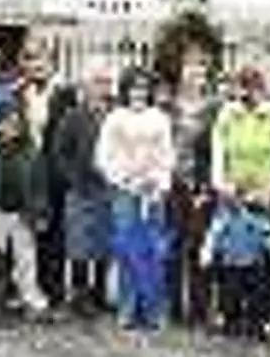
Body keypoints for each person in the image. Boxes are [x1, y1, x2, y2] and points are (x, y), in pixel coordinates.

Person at [202, 66, 270, 339]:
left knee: (263, 261)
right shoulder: (228, 113)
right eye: (243, 88)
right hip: (233, 192)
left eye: (253, 88)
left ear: (262, 89)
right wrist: (222, 185)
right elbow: (218, 152)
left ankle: (260, 318)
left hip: (264, 195)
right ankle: (229, 315)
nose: (247, 94)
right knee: (230, 259)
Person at [96, 68, 175, 331]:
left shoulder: (160, 118)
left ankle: (153, 311)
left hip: (153, 193)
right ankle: (127, 309)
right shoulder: (115, 118)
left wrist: (156, 181)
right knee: (128, 252)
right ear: (125, 90)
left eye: (143, 88)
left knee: (153, 252)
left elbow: (167, 156)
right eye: (134, 87)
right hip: (125, 193)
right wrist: (124, 179)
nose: (138, 93)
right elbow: (103, 157)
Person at [0, 100, 53, 328]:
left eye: (16, 122)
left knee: (26, 260)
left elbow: (39, 187)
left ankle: (31, 300)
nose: (11, 127)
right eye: (6, 122)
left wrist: (39, 213)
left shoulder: (31, 152)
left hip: (22, 214)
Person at [52, 57, 116, 318]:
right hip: (80, 190)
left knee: (103, 242)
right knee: (79, 244)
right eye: (98, 81)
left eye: (106, 82)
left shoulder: (115, 115)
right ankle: (80, 295)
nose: (103, 87)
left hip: (108, 189)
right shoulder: (73, 116)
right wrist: (73, 179)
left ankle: (100, 293)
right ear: (86, 85)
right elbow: (60, 152)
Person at [16, 40, 76, 307]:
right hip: (27, 170)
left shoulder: (65, 92)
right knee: (29, 231)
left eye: (41, 58)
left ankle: (55, 290)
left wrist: (67, 171)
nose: (36, 64)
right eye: (30, 59)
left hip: (55, 171)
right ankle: (31, 288)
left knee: (56, 231)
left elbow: (70, 135)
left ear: (51, 62)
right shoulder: (18, 92)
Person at [166, 44, 222, 328]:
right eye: (190, 66)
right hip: (173, 183)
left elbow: (220, 149)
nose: (195, 72)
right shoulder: (168, 105)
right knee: (174, 244)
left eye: (200, 67)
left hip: (202, 185)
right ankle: (173, 306)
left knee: (200, 245)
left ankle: (200, 308)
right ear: (181, 71)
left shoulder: (216, 107)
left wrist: (208, 185)